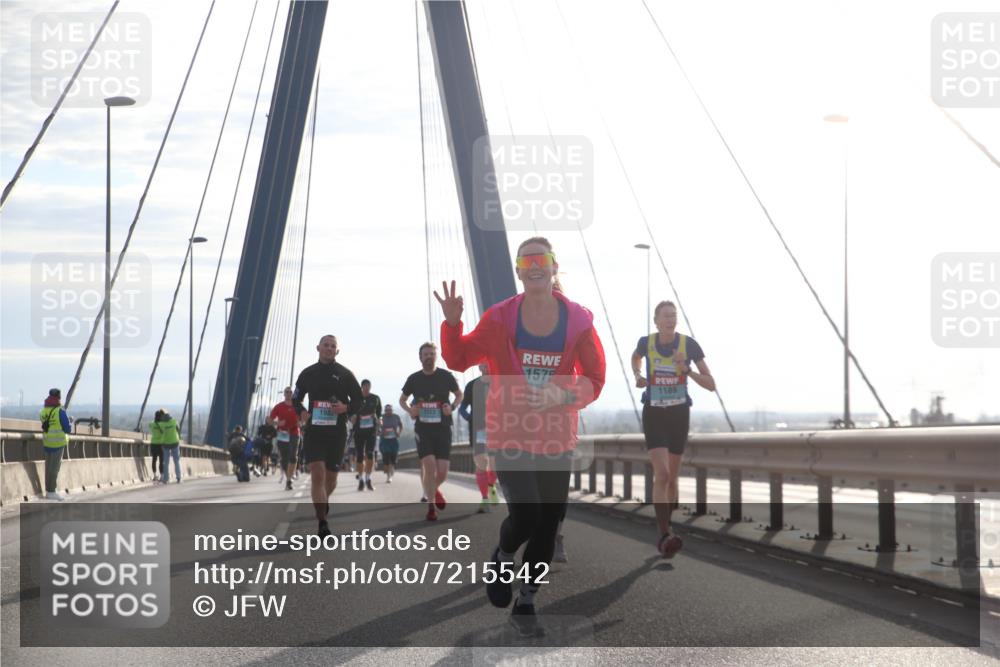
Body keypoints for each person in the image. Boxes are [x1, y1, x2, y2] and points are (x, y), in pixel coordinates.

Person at [437, 236, 606, 637]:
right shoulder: (499, 318)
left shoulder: (579, 322)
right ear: (517, 270)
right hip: (510, 433)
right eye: (526, 260)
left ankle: (526, 600)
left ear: (553, 267)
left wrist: (561, 394)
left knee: (549, 525)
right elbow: (460, 359)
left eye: (542, 259)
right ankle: (504, 555)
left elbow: (595, 379)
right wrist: (452, 322)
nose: (534, 266)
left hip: (555, 437)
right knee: (527, 516)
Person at [631, 300, 715, 558]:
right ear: (656, 320)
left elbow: (711, 384)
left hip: (679, 415)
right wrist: (638, 375)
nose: (670, 319)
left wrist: (687, 369)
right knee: (663, 474)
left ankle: (668, 526)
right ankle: (665, 532)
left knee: (673, 479)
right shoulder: (646, 342)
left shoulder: (688, 345)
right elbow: (635, 357)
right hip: (654, 413)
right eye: (666, 316)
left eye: (674, 315)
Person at [293, 334, 363, 538]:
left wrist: (346, 407)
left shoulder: (345, 374)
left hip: (337, 432)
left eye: (333, 346)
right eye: (326, 345)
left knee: (331, 480)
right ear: (318, 348)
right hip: (315, 431)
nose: (329, 348)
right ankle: (322, 522)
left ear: (337, 351)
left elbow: (359, 400)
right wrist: (302, 412)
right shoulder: (307, 373)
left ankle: (323, 503)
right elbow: (297, 398)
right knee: (317, 473)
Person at [400, 342, 462, 522]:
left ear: (436, 356)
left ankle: (433, 490)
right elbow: (402, 400)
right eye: (425, 354)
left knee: (442, 472)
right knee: (429, 466)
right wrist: (410, 410)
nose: (429, 357)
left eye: (431, 354)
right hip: (423, 429)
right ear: (420, 358)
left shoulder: (446, 376)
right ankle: (431, 507)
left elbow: (459, 394)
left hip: (443, 428)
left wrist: (452, 406)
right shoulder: (414, 379)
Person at [459, 363, 500, 513]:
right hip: (478, 430)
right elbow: (463, 407)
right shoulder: (472, 385)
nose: (487, 367)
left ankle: (491, 486)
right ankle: (484, 498)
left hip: (498, 430)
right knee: (481, 462)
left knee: (495, 465)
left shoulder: (501, 383)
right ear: (479, 367)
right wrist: (469, 417)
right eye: (484, 364)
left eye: (489, 363)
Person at [39, 388, 71, 501]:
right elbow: (67, 429)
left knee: (48, 468)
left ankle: (48, 490)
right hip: (58, 444)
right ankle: (52, 491)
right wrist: (70, 421)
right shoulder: (60, 411)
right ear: (59, 397)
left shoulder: (43, 411)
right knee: (54, 469)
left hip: (47, 443)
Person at [352, 379, 382, 491]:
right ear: (361, 387)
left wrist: (380, 419)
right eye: (365, 387)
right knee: (359, 456)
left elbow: (379, 413)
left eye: (368, 387)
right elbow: (350, 411)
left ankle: (368, 478)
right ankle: (361, 479)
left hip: (371, 431)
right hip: (359, 431)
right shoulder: (356, 399)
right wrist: (352, 417)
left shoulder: (375, 398)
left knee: (370, 454)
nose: (367, 389)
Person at [269, 387, 301, 490]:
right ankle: (288, 479)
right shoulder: (279, 406)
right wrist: (277, 423)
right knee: (284, 458)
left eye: (290, 392)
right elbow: (269, 420)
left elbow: (304, 418)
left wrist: (302, 423)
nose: (289, 394)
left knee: (293, 456)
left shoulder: (297, 406)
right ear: (284, 394)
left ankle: (289, 479)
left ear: (292, 394)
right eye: (287, 392)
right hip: (282, 434)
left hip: (294, 433)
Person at [152, 409, 182, 483]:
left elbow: (161, 431)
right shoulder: (174, 421)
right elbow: (178, 429)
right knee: (176, 461)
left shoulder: (162, 424)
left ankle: (166, 479)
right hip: (175, 442)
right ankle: (178, 477)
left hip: (166, 444)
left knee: (166, 462)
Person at [378, 404, 403, 483]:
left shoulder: (396, 417)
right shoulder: (381, 417)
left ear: (392, 410)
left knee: (393, 458)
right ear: (385, 411)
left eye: (390, 410)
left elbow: (401, 425)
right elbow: (377, 428)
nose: (389, 412)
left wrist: (399, 432)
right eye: (387, 410)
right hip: (384, 441)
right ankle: (388, 476)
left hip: (393, 440)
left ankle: (391, 471)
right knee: (386, 457)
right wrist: (382, 432)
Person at [148, 410, 165, 484]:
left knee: (154, 459)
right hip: (161, 444)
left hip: (153, 443)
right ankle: (162, 475)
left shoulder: (152, 424)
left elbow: (149, 425)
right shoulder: (162, 424)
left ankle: (155, 475)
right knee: (161, 460)